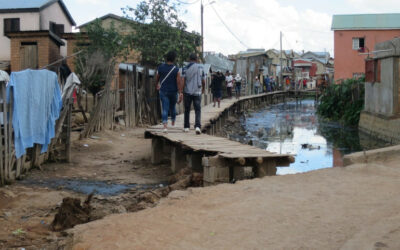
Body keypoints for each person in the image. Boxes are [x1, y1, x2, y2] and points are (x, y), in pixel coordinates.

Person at [156, 51, 182, 133]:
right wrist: (180, 92)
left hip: (163, 91)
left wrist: (157, 84)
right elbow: (178, 82)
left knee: (165, 108)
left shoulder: (160, 67)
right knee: (172, 107)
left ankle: (165, 126)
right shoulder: (176, 69)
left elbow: (157, 78)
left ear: (166, 58)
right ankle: (173, 121)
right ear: (174, 59)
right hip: (173, 91)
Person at [182, 53, 205, 135]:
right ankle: (198, 126)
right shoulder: (201, 68)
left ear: (189, 59)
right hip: (197, 92)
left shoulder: (185, 68)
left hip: (187, 91)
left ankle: (186, 127)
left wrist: (182, 91)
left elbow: (183, 81)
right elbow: (203, 80)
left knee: (187, 110)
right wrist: (203, 88)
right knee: (197, 110)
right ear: (196, 59)